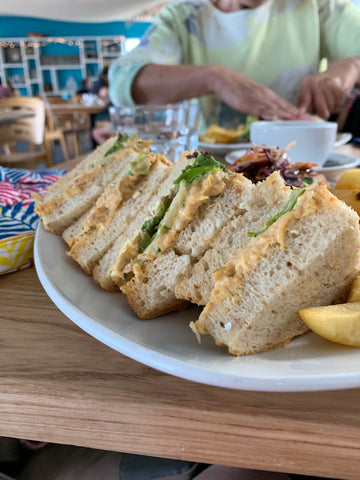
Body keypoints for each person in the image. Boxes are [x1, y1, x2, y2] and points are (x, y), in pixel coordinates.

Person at [108, 0, 360, 131]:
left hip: (305, 166)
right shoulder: (182, 17)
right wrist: (213, 77)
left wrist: (352, 65)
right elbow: (122, 82)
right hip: (213, 174)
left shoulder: (317, 5)